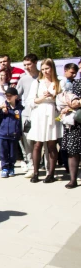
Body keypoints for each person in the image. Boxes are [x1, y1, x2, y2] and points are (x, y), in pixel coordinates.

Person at [27, 58, 62, 183]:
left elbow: (62, 100)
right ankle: (36, 173)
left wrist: (53, 96)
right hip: (39, 113)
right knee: (37, 144)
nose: (45, 71)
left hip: (52, 113)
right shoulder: (37, 82)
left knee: (52, 145)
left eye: (47, 68)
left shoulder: (58, 82)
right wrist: (42, 97)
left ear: (52, 68)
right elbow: (31, 101)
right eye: (43, 69)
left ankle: (51, 173)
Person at [17, 53, 40, 176]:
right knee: (28, 141)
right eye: (25, 65)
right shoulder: (23, 79)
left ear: (35, 63)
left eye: (29, 64)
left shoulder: (43, 76)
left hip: (41, 113)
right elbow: (16, 96)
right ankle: (31, 165)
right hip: (27, 115)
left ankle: (46, 167)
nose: (26, 67)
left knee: (42, 141)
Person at [60, 59, 81, 189]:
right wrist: (65, 107)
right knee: (72, 150)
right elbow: (64, 98)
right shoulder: (73, 83)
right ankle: (73, 179)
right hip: (74, 120)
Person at [0, 87, 24, 177]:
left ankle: (11, 167)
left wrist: (20, 133)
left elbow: (20, 121)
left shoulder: (20, 108)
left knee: (13, 153)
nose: (8, 97)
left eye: (10, 96)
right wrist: (0, 108)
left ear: (15, 96)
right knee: (3, 152)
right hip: (3, 133)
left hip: (14, 134)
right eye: (6, 95)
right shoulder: (3, 105)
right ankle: (4, 168)